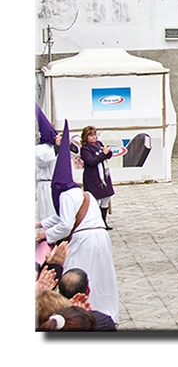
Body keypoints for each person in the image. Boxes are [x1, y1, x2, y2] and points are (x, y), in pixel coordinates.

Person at [37, 124, 119, 325]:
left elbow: (65, 225)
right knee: (102, 277)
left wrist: (46, 235)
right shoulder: (79, 193)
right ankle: (107, 312)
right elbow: (62, 217)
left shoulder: (65, 195)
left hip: (84, 241)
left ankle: (80, 314)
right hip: (100, 237)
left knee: (77, 277)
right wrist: (40, 223)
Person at [80, 126, 115, 230]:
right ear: (85, 137)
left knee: (106, 197)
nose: (94, 137)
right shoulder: (85, 149)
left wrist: (107, 152)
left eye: (94, 135)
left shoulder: (99, 144)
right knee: (94, 200)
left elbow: (108, 156)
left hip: (104, 176)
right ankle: (94, 222)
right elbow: (91, 161)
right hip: (93, 177)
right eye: (91, 135)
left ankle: (103, 221)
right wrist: (103, 154)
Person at [35, 104, 60, 222]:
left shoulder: (56, 147)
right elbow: (42, 160)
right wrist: (56, 148)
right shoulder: (38, 149)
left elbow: (75, 152)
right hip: (45, 185)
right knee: (47, 215)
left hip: (57, 184)